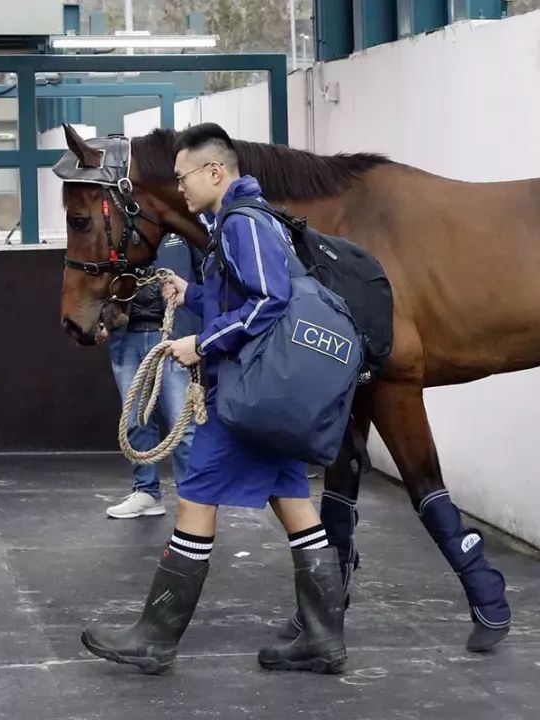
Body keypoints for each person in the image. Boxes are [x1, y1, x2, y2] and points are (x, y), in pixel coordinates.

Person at [79, 122, 347, 676]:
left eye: (183, 177)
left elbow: (268, 301)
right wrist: (193, 294)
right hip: (267, 394)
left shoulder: (240, 224)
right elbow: (245, 294)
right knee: (295, 503)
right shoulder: (246, 222)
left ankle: (156, 636)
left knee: (196, 493)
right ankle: (323, 638)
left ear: (215, 172)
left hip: (244, 396)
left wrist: (200, 343)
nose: (179, 188)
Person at [101, 233, 205, 519]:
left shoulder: (181, 230)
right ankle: (146, 492)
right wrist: (104, 319)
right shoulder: (121, 230)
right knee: (134, 421)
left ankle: (193, 500)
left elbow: (205, 277)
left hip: (173, 335)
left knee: (182, 425)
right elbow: (101, 277)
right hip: (128, 334)